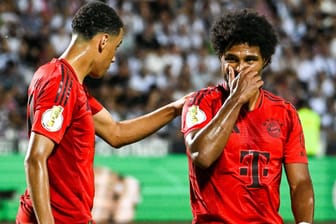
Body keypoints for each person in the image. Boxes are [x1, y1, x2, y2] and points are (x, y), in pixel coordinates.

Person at [16, 1, 187, 223]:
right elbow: (35, 158)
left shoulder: (66, 84)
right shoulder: (60, 83)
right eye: (116, 47)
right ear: (104, 40)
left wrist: (174, 109)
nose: (114, 57)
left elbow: (116, 133)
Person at [181, 9, 314, 224]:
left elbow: (300, 183)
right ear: (220, 59)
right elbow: (202, 156)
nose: (241, 68)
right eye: (231, 59)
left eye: (250, 60)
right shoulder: (200, 103)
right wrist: (235, 100)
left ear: (266, 62)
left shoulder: (285, 113)